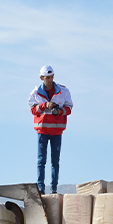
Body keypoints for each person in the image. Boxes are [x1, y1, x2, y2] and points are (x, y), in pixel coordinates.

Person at [29, 65, 73, 195]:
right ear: (42, 78)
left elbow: (69, 108)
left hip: (56, 131)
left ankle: (54, 188)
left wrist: (59, 111)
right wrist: (44, 105)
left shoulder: (63, 91)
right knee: (41, 160)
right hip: (42, 130)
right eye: (47, 78)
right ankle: (40, 188)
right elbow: (33, 110)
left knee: (55, 161)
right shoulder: (36, 92)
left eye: (51, 77)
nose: (50, 80)